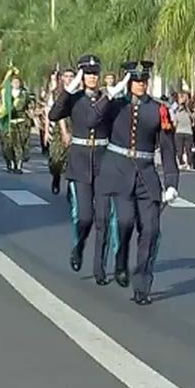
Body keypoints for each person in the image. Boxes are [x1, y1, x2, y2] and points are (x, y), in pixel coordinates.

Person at [86, 60, 179, 305]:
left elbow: (168, 149)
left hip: (147, 176)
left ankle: (142, 286)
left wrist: (171, 182)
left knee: (151, 230)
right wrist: (110, 94)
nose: (140, 84)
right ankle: (120, 259)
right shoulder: (115, 105)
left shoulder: (158, 110)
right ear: (128, 81)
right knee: (124, 222)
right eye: (135, 80)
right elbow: (90, 120)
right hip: (118, 173)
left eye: (143, 80)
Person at [49, 56, 112, 284]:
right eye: (88, 73)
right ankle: (79, 247)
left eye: (95, 73)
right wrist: (67, 90)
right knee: (84, 217)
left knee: (103, 219)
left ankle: (100, 267)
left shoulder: (108, 98)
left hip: (104, 163)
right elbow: (54, 115)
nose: (92, 77)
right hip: (80, 161)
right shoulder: (73, 99)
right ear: (81, 76)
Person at [45, 68, 72, 195]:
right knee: (56, 159)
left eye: (71, 76)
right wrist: (47, 131)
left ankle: (71, 188)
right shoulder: (56, 93)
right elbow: (49, 113)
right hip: (58, 131)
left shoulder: (78, 93)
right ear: (61, 78)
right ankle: (56, 177)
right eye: (66, 76)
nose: (69, 79)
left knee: (72, 161)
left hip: (74, 129)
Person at [0, 75, 31, 174]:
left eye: (18, 82)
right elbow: (2, 106)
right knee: (8, 145)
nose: (16, 84)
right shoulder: (6, 94)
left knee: (19, 145)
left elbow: (29, 106)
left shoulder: (24, 94)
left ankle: (18, 165)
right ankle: (10, 163)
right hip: (9, 123)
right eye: (14, 82)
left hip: (21, 122)